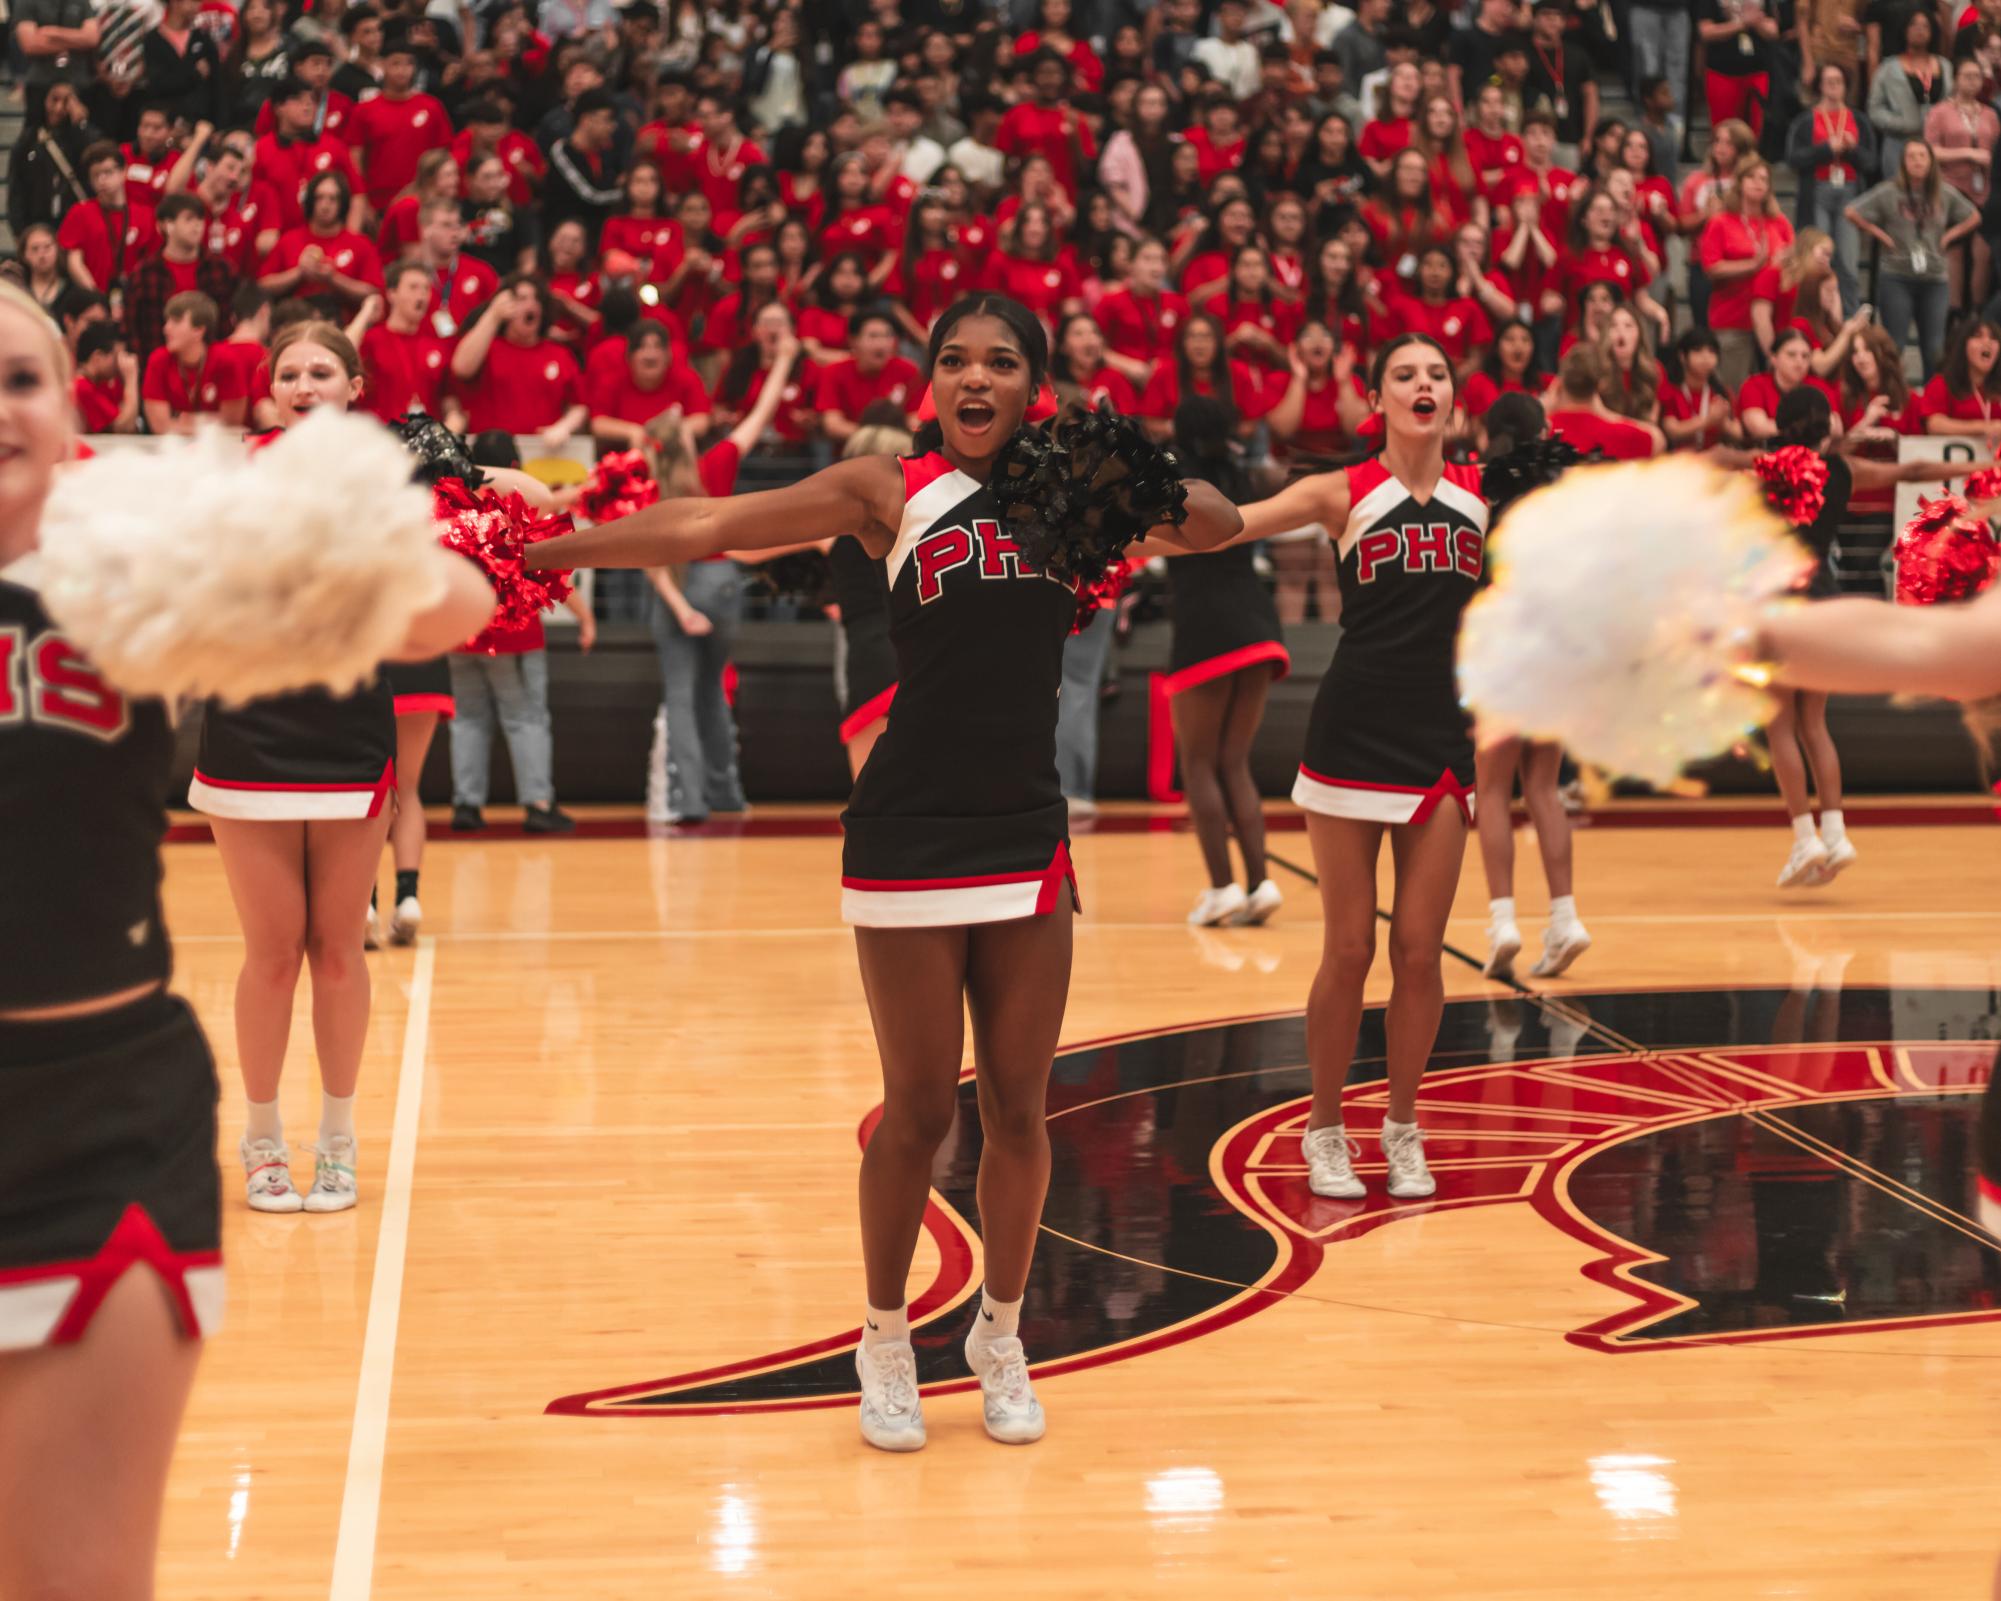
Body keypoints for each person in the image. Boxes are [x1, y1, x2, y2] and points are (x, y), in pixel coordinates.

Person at [520, 293, 1239, 1452]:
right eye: (954, 359)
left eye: (1001, 363)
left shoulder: (1069, 496)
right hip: (907, 831)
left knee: (1018, 1106)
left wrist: (1125, 467)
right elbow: (707, 523)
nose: (974, 379)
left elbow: (1219, 522)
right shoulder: (883, 489)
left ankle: (999, 1333)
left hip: (1025, 831)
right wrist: (546, 548)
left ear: (1031, 385)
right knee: (914, 1112)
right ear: (931, 381)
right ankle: (885, 1335)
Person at [0, 283, 492, 1601]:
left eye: (20, 380)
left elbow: (447, 604)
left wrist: (315, 533)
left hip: (100, 1132)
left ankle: (304, 1136)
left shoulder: (134, 575)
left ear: (72, 419)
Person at [1226, 332, 1485, 1203]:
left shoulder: (1483, 497)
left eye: (1436, 374)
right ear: (1376, 399)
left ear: (1452, 398)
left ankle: (1402, 1126)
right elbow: (1235, 524)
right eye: (1405, 374)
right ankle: (1324, 1126)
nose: (1423, 384)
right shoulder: (1341, 490)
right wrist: (1125, 533)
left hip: (1442, 738)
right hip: (1351, 735)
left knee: (1420, 951)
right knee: (1348, 946)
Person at [1728, 386, 1998, 883]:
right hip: (1827, 598)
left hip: (1783, 604)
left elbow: (1715, 473)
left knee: (1780, 725)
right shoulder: (1843, 472)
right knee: (1814, 725)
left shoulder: (1765, 475)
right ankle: (1836, 832)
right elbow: (1911, 472)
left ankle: (1805, 840)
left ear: (1780, 427)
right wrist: (1975, 467)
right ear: (1826, 427)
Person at [643, 333, 804, 825]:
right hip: (724, 583)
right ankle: (728, 795)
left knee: (681, 694)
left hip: (681, 587)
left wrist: (680, 608)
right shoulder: (714, 466)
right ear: (684, 442)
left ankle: (688, 801)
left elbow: (653, 563)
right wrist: (786, 362)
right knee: (712, 689)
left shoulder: (651, 490)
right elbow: (759, 417)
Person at [1155, 396, 1289, 926]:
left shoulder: (1170, 482)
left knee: (1199, 764)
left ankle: (1221, 887)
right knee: (1235, 762)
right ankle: (1260, 884)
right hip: (1258, 622)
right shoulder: (1242, 474)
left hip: (1205, 626)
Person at [1472, 393, 1591, 981]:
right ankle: (1565, 918)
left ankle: (1502, 924)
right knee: (1544, 788)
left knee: (1491, 790)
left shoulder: (1483, 499)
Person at [1849, 140, 1979, 380]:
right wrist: (1879, 234)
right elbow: (1852, 211)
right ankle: (1893, 396)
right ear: (1903, 162)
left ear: (1931, 162)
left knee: (1934, 349)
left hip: (1935, 277)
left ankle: (1931, 403)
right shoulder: (1889, 191)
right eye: (1911, 157)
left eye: (1922, 156)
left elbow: (1973, 216)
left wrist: (1950, 235)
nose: (1917, 161)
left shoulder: (1944, 192)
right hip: (1897, 276)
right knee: (1893, 345)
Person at [829, 423, 908, 777]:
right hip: (924, 654)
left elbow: (747, 548)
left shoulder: (832, 525)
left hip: (871, 656)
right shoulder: (926, 518)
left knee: (870, 794)